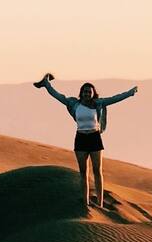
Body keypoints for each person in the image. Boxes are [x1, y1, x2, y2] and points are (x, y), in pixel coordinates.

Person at [36, 73, 139, 207]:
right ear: (81, 93)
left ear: (93, 93)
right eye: (85, 92)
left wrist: (130, 93)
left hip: (95, 138)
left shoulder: (98, 103)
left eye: (89, 92)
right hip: (81, 138)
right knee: (83, 173)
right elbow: (57, 96)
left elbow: (115, 99)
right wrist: (47, 84)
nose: (86, 94)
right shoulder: (73, 104)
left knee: (97, 171)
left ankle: (100, 203)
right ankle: (85, 203)